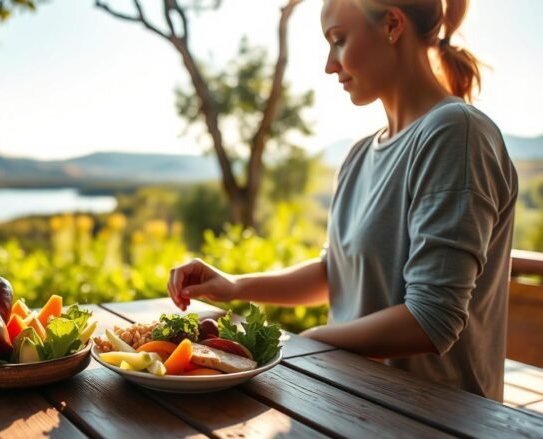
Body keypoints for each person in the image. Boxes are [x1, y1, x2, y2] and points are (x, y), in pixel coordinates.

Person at [166, 0, 517, 402]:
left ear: (391, 24)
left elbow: (431, 319)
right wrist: (234, 286)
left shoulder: (455, 134)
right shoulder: (359, 155)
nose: (329, 65)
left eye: (338, 41)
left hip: (428, 417)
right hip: (347, 399)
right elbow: (335, 273)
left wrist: (309, 342)